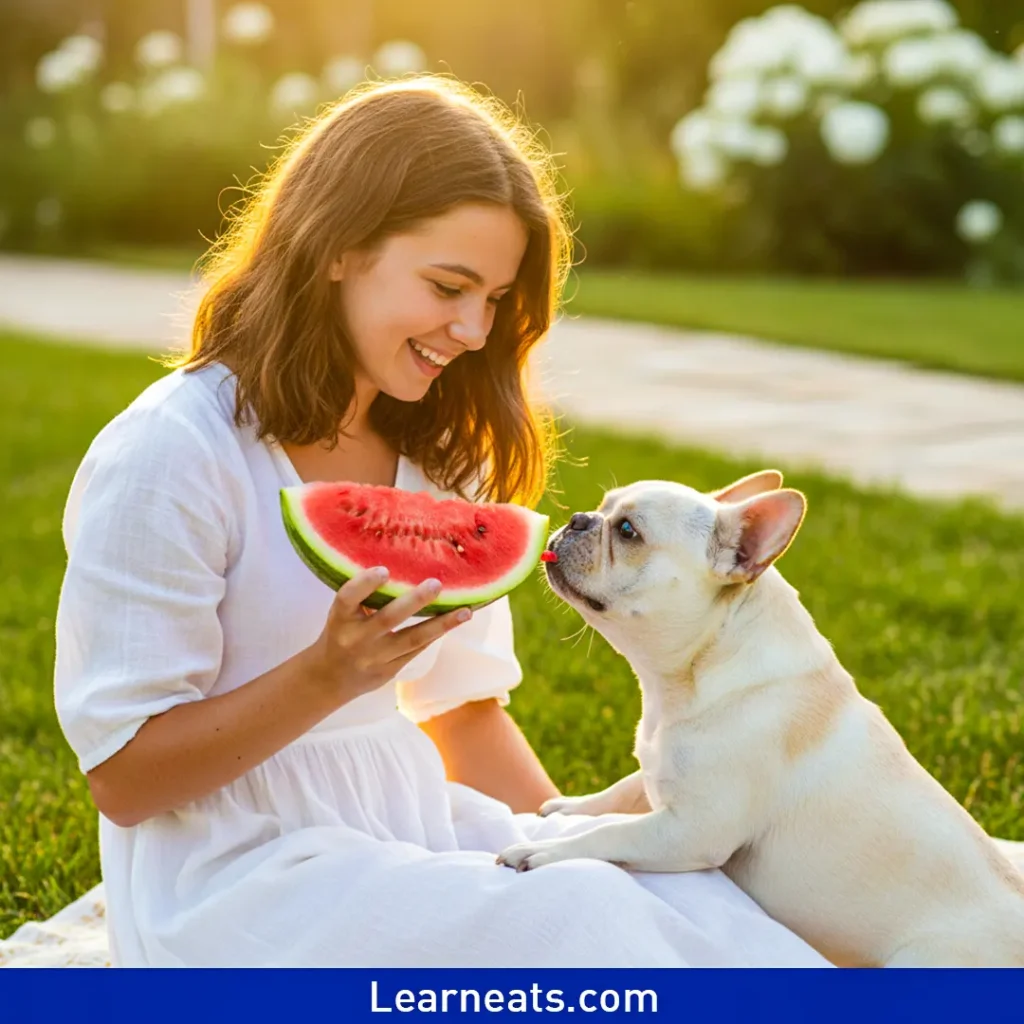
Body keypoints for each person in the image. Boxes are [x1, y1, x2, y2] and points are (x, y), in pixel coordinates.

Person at [49, 76, 831, 967]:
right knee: (588, 919)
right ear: (338, 247)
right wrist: (323, 678)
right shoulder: (171, 453)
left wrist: (570, 849)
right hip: (230, 880)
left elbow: (462, 717)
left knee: (680, 892)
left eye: (494, 298)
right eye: (448, 286)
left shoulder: (436, 452)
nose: (473, 330)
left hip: (404, 822)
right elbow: (124, 779)